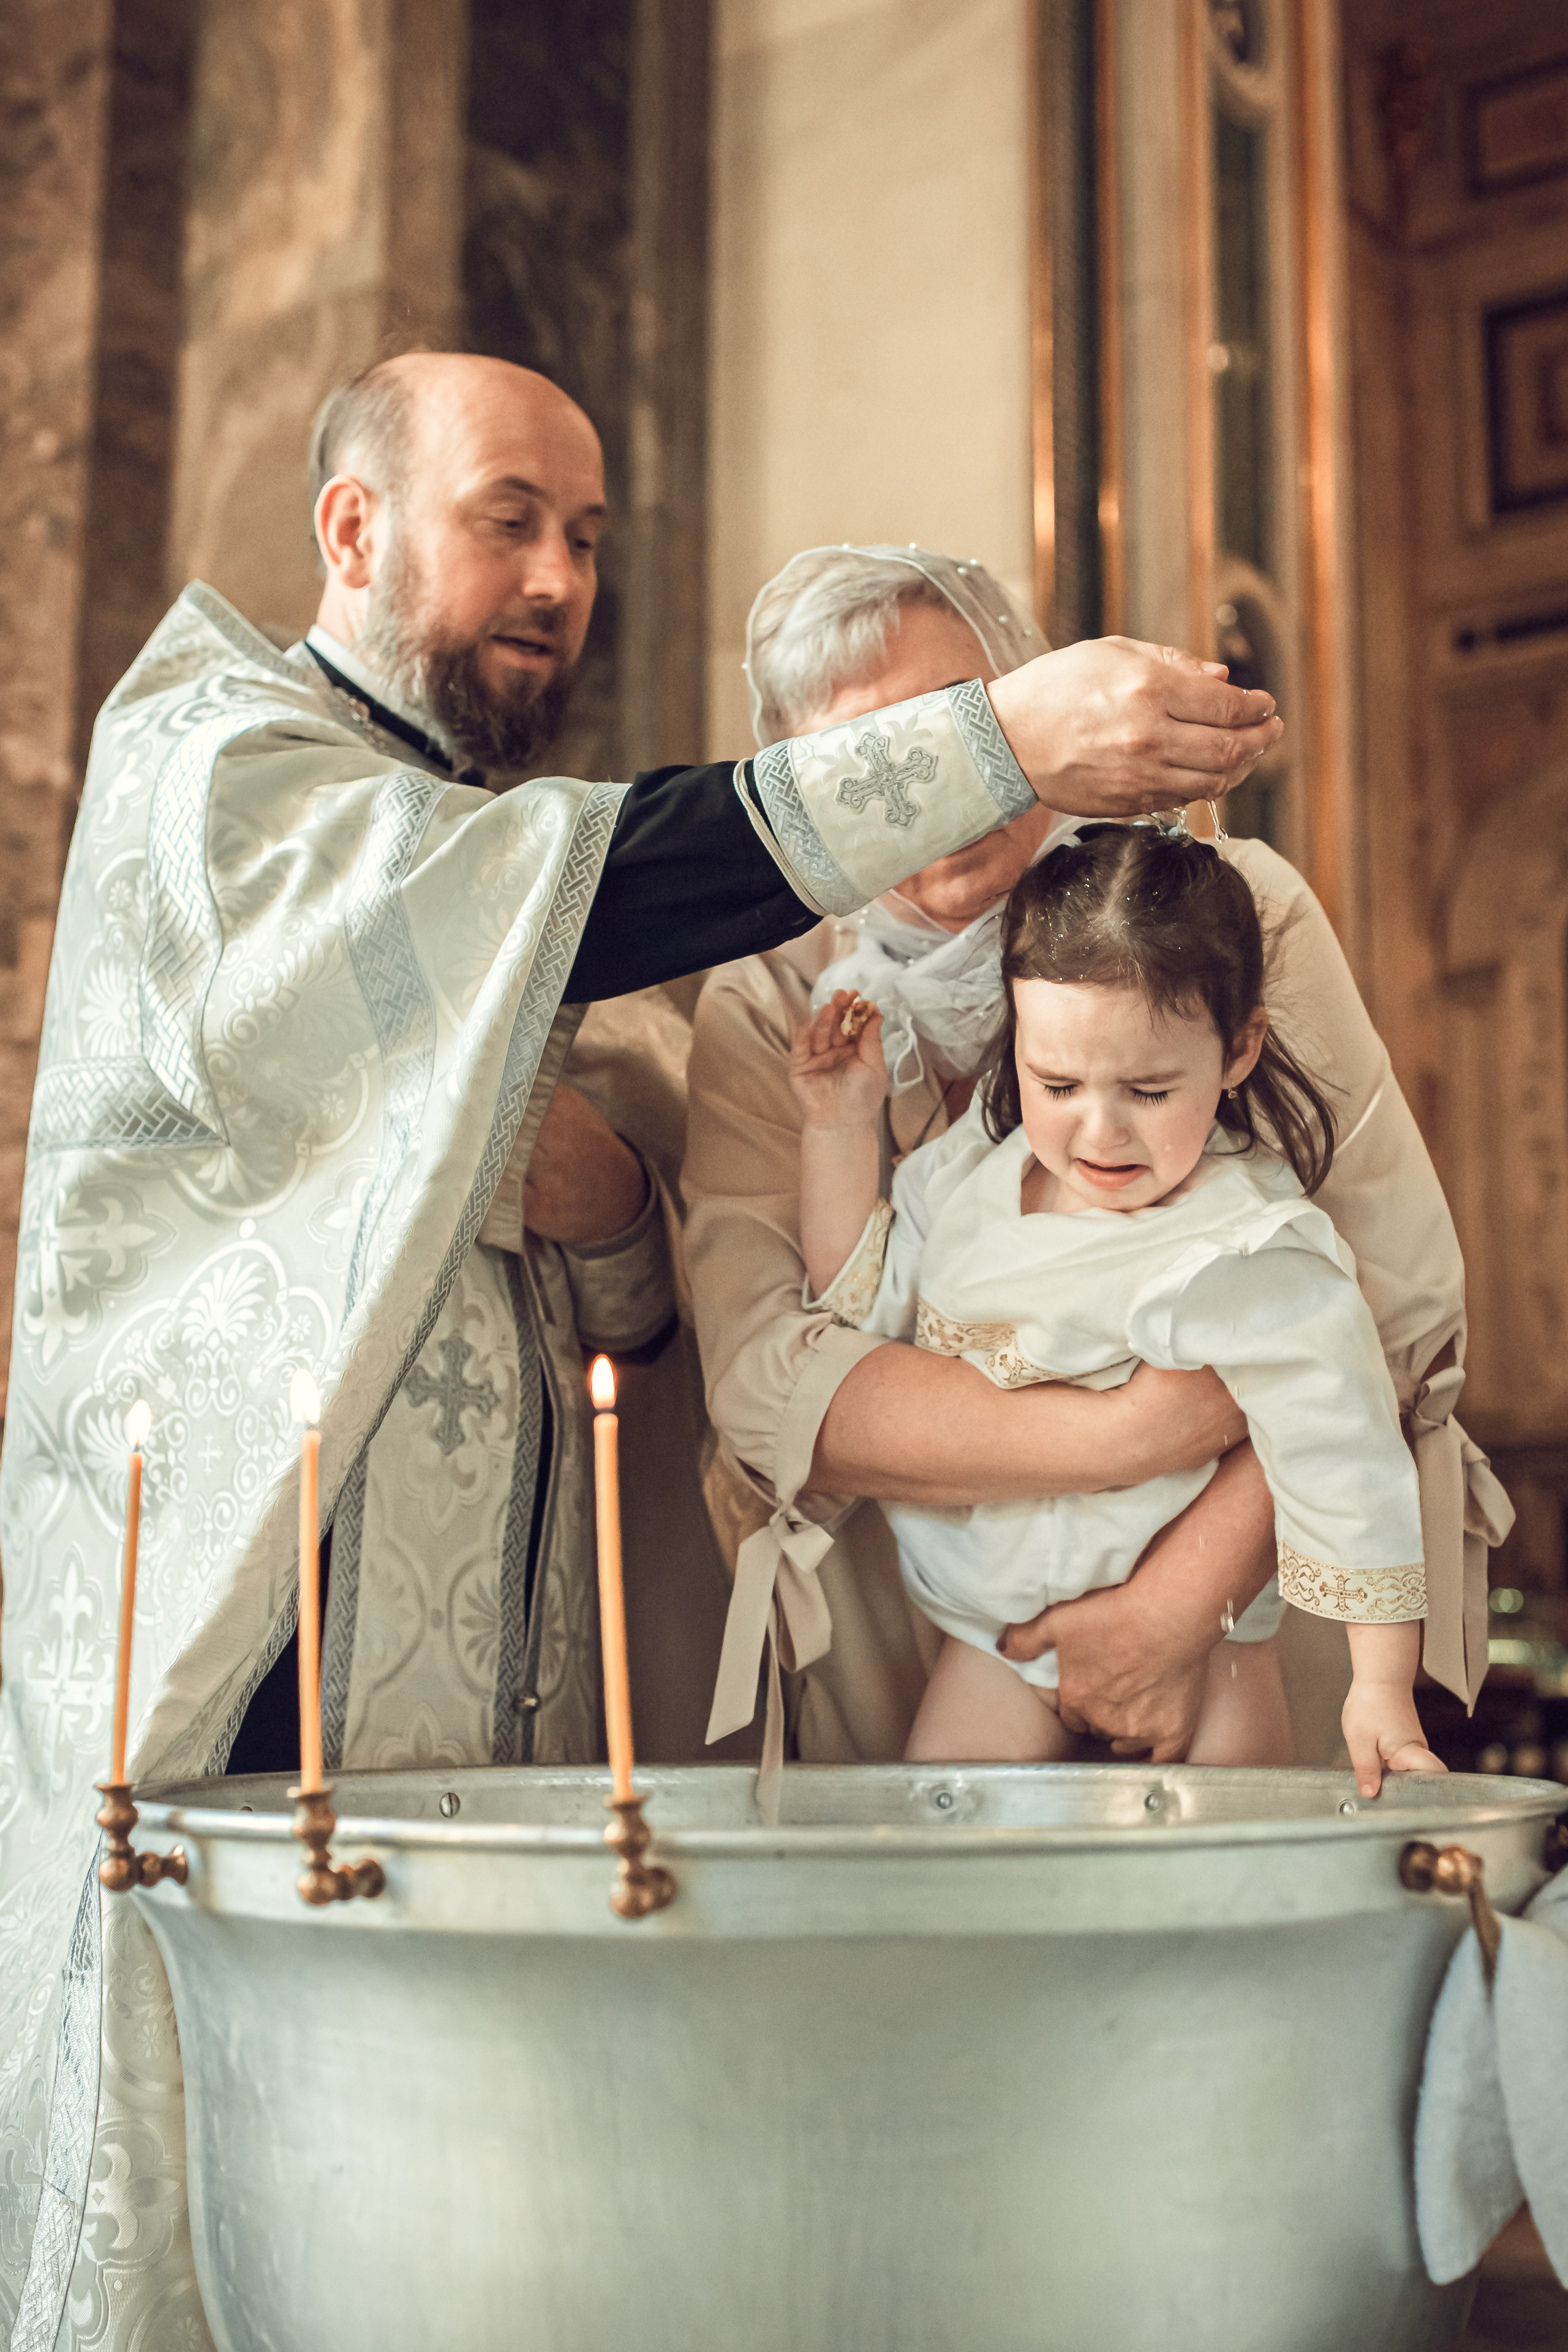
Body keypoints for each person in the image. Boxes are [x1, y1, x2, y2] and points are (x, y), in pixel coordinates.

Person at [0, 355, 1281, 2341]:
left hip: (478, 1660)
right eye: (504, 515)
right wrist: (993, 734)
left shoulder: (471, 837)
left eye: (586, 536)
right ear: (351, 528)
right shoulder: (223, 756)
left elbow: (616, 1318)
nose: (557, 576)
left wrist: (600, 1219)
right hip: (237, 1650)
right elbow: (527, 909)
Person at [686, 544, 1510, 1784]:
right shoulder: (774, 999)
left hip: (1242, 1598)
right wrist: (1131, 1432)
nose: (930, 788)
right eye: (872, 765)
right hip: (936, 1628)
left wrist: (1173, 1606)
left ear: (1027, 713)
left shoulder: (1219, 909)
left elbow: (1384, 1302)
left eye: (958, 725)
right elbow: (778, 1383)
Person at [789, 826, 1446, 1796]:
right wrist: (841, 1128)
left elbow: (1347, 1454)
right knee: (943, 1878)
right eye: (1057, 1083)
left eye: (1147, 1089)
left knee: (1217, 1905)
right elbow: (859, 1314)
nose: (1099, 1131)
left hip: (1209, 1650)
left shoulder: (1248, 1241)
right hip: (995, 1646)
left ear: (1237, 1050)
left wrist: (1381, 1688)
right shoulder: (971, 1176)